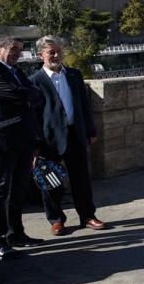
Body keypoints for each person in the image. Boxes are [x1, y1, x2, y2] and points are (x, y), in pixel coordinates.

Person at [30, 36, 107, 236]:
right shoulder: (35, 81)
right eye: (51, 52)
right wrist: (36, 145)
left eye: (58, 51)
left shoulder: (74, 75)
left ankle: (88, 216)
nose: (56, 55)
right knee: (52, 181)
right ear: (41, 55)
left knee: (81, 178)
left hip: (76, 134)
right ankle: (56, 220)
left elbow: (83, 105)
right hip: (50, 140)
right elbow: (34, 116)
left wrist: (90, 131)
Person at [0, 35, 44, 259]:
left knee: (18, 189)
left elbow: (36, 92)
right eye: (14, 49)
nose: (18, 54)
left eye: (21, 50)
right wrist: (26, 94)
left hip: (22, 138)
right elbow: (12, 93)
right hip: (1, 140)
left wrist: (26, 94)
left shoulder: (14, 70)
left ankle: (16, 233)